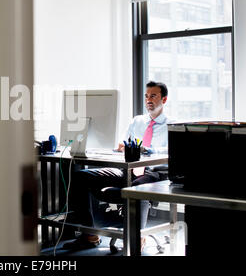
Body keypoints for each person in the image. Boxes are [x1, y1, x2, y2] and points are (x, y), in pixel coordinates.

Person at [63, 81, 171, 251]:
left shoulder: (171, 124)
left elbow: (171, 151)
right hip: (127, 169)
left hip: (154, 172)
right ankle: (90, 235)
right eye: (146, 96)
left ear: (164, 100)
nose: (148, 100)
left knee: (137, 187)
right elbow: (122, 142)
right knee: (80, 176)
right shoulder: (137, 121)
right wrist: (119, 146)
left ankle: (138, 237)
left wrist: (148, 149)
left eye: (153, 96)